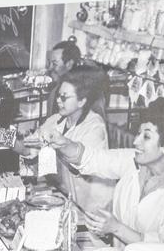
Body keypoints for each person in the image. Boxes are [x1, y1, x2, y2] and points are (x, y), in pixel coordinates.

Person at [44, 96, 164, 251]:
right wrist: (64, 144)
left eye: (146, 136)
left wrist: (115, 227)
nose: (136, 141)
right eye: (138, 133)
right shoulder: (134, 160)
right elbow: (93, 159)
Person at [28, 64, 114, 213]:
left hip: (92, 206)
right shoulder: (56, 120)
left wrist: (55, 146)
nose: (58, 101)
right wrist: (3, 138)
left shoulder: (94, 128)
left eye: (64, 97)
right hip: (68, 196)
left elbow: (79, 164)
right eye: (58, 96)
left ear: (82, 101)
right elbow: (30, 148)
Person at [46, 38, 83, 111]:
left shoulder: (83, 91)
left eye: (54, 64)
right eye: (49, 63)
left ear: (69, 64)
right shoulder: (55, 89)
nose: (50, 68)